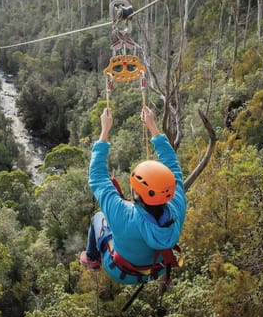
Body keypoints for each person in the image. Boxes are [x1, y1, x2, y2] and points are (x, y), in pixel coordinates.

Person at [79, 106, 187, 285]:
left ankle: (92, 259)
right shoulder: (177, 203)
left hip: (120, 270)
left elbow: (97, 177)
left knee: (98, 217)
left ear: (136, 194)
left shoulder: (124, 215)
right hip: (156, 269)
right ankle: (94, 258)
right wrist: (152, 126)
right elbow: (173, 166)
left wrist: (105, 130)